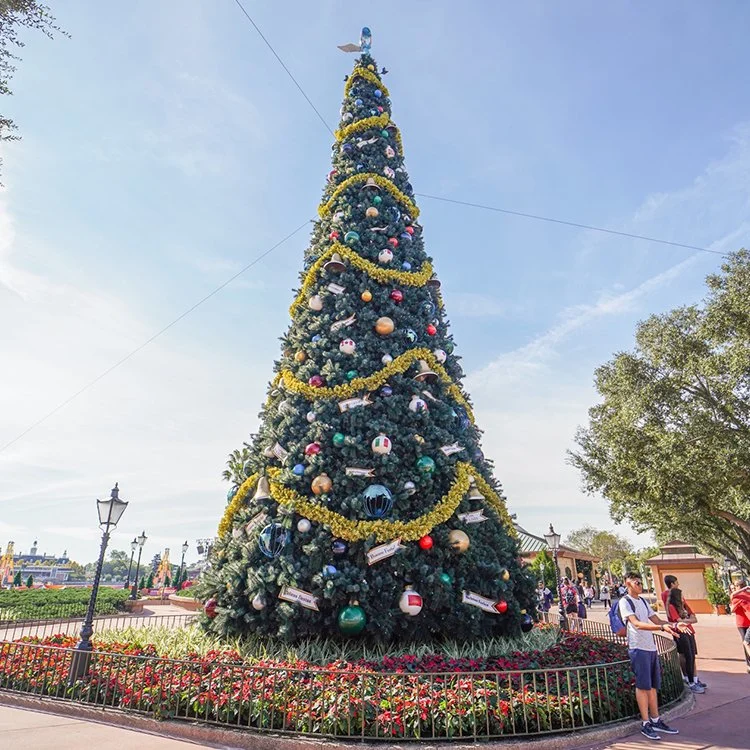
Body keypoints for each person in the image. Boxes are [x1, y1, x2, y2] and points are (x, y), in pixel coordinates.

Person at [619, 571, 688, 740]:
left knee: (652, 686)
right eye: (636, 582)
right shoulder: (625, 602)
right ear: (627, 584)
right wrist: (661, 628)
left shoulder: (642, 601)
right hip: (638, 648)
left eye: (640, 582)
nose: (640, 585)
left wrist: (674, 624)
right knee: (643, 686)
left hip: (650, 647)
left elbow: (656, 620)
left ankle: (656, 719)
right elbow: (636, 624)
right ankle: (645, 723)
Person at [666, 587, 704, 693]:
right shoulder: (672, 607)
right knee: (687, 656)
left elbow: (695, 619)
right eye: (681, 596)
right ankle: (690, 682)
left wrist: (685, 620)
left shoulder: (685, 606)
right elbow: (678, 621)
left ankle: (695, 680)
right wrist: (687, 620)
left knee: (692, 655)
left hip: (690, 632)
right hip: (681, 633)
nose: (683, 598)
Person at [730, 579, 750, 673]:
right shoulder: (735, 596)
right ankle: (749, 664)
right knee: (745, 643)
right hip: (741, 623)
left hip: (747, 622)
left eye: (736, 585)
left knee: (746, 643)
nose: (735, 587)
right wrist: (737, 605)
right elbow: (732, 610)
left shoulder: (748, 595)